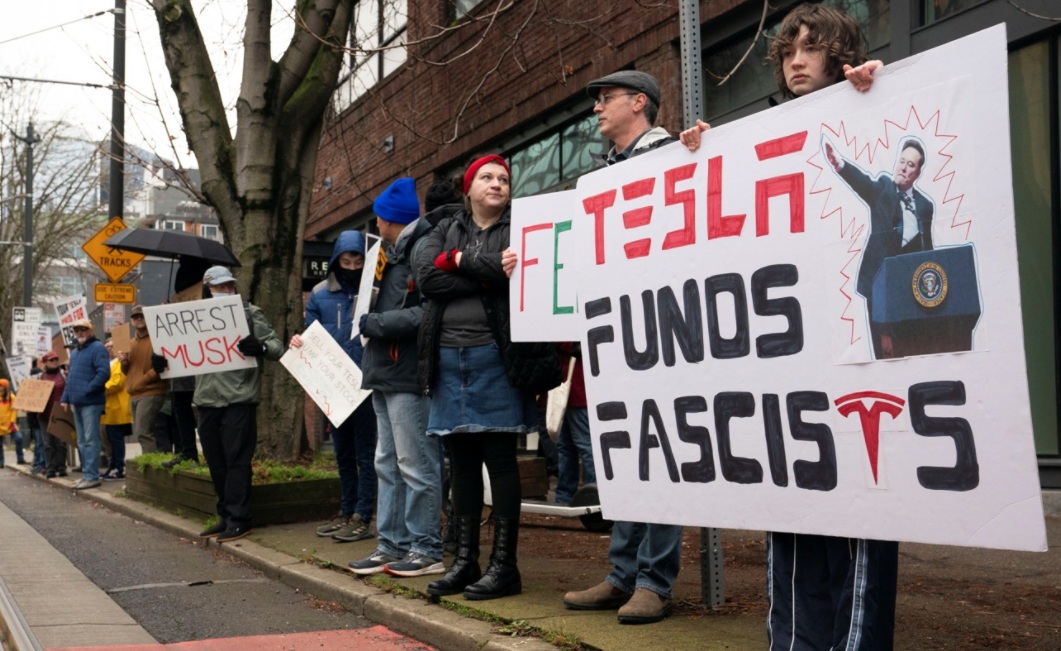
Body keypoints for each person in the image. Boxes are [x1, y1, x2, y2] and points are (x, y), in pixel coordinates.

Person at [682, 4, 896, 649]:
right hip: (787, 359)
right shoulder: (764, 133)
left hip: (856, 348)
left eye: (812, 48)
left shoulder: (875, 104)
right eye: (789, 51)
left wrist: (882, 88)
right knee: (796, 512)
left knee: (859, 519)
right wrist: (696, 159)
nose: (797, 61)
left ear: (840, 52)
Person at [561, 70, 684, 625]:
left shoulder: (668, 158)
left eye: (605, 100)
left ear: (640, 103)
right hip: (621, 332)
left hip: (664, 327)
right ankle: (623, 574)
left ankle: (653, 581)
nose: (596, 110)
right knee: (628, 457)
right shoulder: (607, 174)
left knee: (661, 455)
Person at [416, 155, 545, 601]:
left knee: (501, 460)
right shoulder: (444, 228)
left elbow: (519, 275)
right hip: (449, 360)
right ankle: (465, 562)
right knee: (462, 463)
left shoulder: (521, 227)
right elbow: (427, 277)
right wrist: (483, 268)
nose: (497, 184)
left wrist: (458, 264)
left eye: (504, 179)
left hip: (495, 357)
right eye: (487, 178)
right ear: (468, 189)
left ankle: (504, 567)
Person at [346, 178, 444, 577]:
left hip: (403, 370)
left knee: (413, 462)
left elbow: (428, 314)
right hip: (389, 370)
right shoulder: (396, 252)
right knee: (391, 461)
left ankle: (424, 547)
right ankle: (394, 544)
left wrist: (374, 323)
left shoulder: (416, 251)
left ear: (386, 219)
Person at [291, 230, 379, 544]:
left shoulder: (375, 293)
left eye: (358, 259)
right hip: (334, 384)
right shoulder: (319, 294)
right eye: (347, 259)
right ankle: (346, 510)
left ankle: (362, 514)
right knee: (343, 453)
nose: (352, 265)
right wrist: (299, 340)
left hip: (365, 383)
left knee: (366, 453)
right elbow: (310, 334)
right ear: (336, 260)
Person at [190, 266, 284, 543]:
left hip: (238, 398)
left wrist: (262, 348)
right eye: (220, 287)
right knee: (216, 462)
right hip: (206, 399)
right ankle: (226, 515)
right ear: (208, 288)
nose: (226, 291)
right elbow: (180, 354)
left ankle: (240, 518)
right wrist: (164, 363)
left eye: (229, 286)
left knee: (237, 461)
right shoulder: (193, 317)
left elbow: (276, 346)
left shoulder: (250, 313)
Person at [825, 138, 933, 358]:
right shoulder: (884, 188)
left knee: (910, 345)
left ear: (918, 172)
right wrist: (840, 165)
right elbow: (863, 183)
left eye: (910, 165)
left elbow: (927, 248)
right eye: (901, 161)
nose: (903, 167)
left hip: (909, 289)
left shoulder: (925, 206)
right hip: (879, 286)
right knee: (885, 350)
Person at [60, 319, 110, 490]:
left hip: (91, 402)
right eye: (77, 330)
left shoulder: (98, 348)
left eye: (83, 329)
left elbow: (104, 373)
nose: (80, 332)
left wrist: (87, 390)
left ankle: (92, 476)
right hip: (77, 402)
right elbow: (71, 378)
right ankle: (86, 475)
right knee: (81, 441)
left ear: (91, 330)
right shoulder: (75, 353)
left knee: (90, 440)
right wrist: (65, 398)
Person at [123, 304, 169, 454]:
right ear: (132, 321)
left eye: (142, 316)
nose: (139, 319)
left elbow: (161, 366)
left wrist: (142, 380)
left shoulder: (158, 338)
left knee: (144, 433)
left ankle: (151, 466)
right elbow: (127, 371)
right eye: (136, 317)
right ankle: (149, 464)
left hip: (151, 391)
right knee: (142, 433)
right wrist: (123, 362)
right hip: (134, 393)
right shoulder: (129, 343)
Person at [552, 342, 594, 506]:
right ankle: (577, 494)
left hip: (574, 387)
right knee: (570, 446)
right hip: (573, 388)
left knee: (581, 446)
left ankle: (590, 494)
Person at [101, 338, 132, 480]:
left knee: (116, 440)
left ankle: (119, 468)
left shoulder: (119, 362)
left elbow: (117, 383)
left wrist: (99, 388)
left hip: (117, 407)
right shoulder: (107, 363)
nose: (108, 348)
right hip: (109, 408)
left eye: (111, 346)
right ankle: (113, 466)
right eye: (106, 346)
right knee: (110, 441)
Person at [39, 352, 68, 478]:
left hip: (60, 412)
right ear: (46, 362)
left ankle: (61, 466)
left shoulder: (64, 374)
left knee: (61, 441)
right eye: (51, 360)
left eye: (56, 359)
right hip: (44, 414)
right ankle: (50, 467)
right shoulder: (40, 377)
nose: (55, 361)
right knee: (48, 443)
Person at [0, 379, 19, 468]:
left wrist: (12, 422)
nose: (0, 388)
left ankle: (20, 458)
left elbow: (14, 410)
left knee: (19, 438)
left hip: (10, 424)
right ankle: (1, 462)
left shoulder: (11, 397)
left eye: (2, 386)